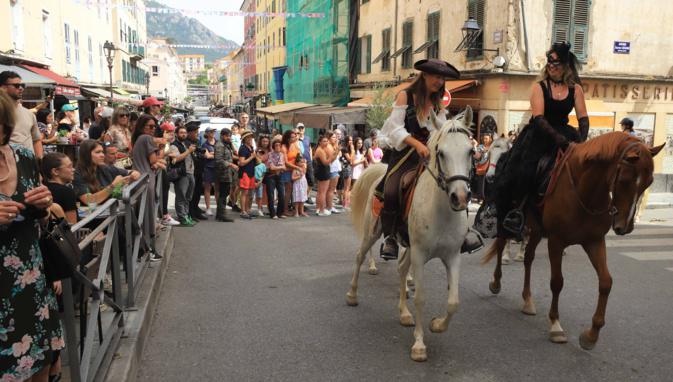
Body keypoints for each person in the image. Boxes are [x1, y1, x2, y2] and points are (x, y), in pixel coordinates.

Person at [376, 58, 482, 260]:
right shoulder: (404, 96)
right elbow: (394, 128)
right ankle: (390, 237)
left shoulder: (437, 103)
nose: (440, 81)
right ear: (424, 75)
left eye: (442, 78)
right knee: (391, 187)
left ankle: (464, 232)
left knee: (457, 181)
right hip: (406, 153)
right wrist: (417, 144)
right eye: (436, 76)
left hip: (431, 154)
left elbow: (441, 129)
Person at [0, 90, 64, 381]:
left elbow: (44, 213)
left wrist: (44, 204)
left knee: (38, 363)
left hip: (31, 278)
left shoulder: (24, 157)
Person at [496, 41, 589, 238]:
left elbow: (583, 118)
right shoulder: (539, 87)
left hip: (566, 133)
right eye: (549, 63)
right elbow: (539, 118)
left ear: (566, 66)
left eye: (556, 64)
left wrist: (581, 141)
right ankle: (517, 213)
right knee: (525, 171)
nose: (552, 67)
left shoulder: (576, 90)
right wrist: (559, 140)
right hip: (540, 134)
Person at [72, 139, 139, 207]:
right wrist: (113, 186)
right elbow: (89, 201)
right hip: (94, 215)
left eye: (102, 152)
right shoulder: (77, 174)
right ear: (86, 154)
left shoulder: (104, 167)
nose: (102, 155)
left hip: (111, 211)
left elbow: (131, 172)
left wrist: (133, 174)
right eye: (98, 152)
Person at [132, 134, 163, 260]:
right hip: (145, 182)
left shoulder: (140, 139)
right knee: (146, 217)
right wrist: (161, 147)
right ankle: (146, 250)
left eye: (153, 127)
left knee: (145, 217)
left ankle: (145, 249)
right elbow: (154, 160)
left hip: (143, 180)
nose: (153, 129)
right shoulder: (146, 139)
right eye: (150, 126)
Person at [0, 70, 43, 157]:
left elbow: (36, 140)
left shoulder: (29, 114)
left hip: (27, 165)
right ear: (3, 88)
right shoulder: (2, 111)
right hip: (5, 165)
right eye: (16, 85)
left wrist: (39, 161)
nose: (21, 88)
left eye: (22, 85)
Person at [168, 126, 197, 226]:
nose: (183, 134)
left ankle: (186, 215)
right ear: (176, 134)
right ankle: (182, 217)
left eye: (185, 132)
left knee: (188, 197)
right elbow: (177, 158)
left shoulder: (186, 144)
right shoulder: (174, 145)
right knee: (181, 196)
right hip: (181, 174)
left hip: (190, 173)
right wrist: (188, 151)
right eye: (181, 132)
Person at [41, 152, 78, 224]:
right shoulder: (67, 192)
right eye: (69, 166)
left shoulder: (43, 190)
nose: (73, 169)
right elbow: (73, 225)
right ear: (55, 171)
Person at [214, 128, 237, 222]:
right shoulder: (220, 145)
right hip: (223, 174)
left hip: (227, 173)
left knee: (224, 194)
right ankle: (222, 214)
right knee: (223, 194)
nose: (229, 138)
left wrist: (231, 143)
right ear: (222, 135)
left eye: (230, 136)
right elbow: (219, 160)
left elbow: (234, 153)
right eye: (227, 136)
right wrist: (231, 164)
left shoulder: (226, 145)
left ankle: (219, 214)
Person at [314, 134, 338, 216]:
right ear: (320, 142)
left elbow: (331, 160)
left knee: (320, 191)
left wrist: (335, 153)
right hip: (323, 171)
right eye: (324, 141)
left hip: (323, 170)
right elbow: (326, 162)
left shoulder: (323, 149)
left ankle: (319, 208)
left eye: (327, 141)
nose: (326, 142)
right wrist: (332, 156)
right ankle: (321, 210)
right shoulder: (320, 150)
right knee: (322, 192)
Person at [237, 130, 258, 219]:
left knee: (249, 193)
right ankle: (243, 211)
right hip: (245, 172)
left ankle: (247, 210)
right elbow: (241, 163)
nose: (250, 138)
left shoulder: (251, 147)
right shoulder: (242, 148)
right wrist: (251, 157)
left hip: (251, 172)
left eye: (251, 137)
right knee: (244, 192)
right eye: (248, 137)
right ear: (244, 139)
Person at [265, 138, 286, 219]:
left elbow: (284, 167)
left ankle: (279, 213)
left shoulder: (282, 155)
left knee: (282, 195)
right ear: (273, 146)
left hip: (280, 176)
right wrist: (280, 167)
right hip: (271, 176)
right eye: (276, 145)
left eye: (279, 145)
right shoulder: (270, 154)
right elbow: (271, 167)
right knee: (270, 195)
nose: (278, 147)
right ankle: (272, 213)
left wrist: (278, 167)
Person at [281, 130, 301, 216]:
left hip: (294, 170)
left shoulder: (295, 145)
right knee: (288, 191)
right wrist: (297, 167)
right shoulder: (284, 147)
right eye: (292, 137)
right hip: (286, 171)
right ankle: (284, 210)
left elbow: (298, 156)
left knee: (293, 191)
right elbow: (285, 162)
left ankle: (294, 208)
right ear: (287, 138)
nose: (294, 138)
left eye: (295, 136)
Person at [201, 127, 218, 216]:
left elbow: (221, 154)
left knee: (217, 188)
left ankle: (219, 207)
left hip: (217, 168)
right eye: (211, 132)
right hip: (208, 167)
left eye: (213, 131)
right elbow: (206, 156)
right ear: (207, 133)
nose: (213, 133)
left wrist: (212, 154)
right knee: (208, 188)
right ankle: (208, 208)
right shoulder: (204, 145)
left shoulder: (218, 142)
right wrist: (214, 154)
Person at [296, 123, 314, 203]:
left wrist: (311, 158)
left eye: (302, 128)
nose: (301, 130)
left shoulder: (307, 138)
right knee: (301, 180)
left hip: (308, 161)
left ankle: (306, 195)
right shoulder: (296, 139)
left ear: (304, 129)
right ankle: (304, 198)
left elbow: (310, 148)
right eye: (299, 128)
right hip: (300, 163)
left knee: (311, 180)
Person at [473, 133, 493, 201]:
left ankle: (488, 198)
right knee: (481, 183)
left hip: (490, 168)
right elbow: (476, 156)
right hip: (482, 167)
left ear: (490, 139)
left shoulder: (492, 147)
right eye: (484, 138)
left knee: (489, 184)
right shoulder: (481, 147)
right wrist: (476, 146)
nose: (485, 140)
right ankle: (480, 197)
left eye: (486, 139)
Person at [254, 135, 271, 216]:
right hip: (260, 173)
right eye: (263, 141)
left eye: (267, 141)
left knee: (268, 191)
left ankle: (268, 207)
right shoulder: (257, 150)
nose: (265, 143)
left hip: (269, 172)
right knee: (259, 191)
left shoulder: (270, 150)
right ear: (260, 141)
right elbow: (260, 160)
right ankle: (259, 208)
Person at [327, 131, 342, 214]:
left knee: (330, 190)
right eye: (333, 137)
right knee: (331, 190)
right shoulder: (329, 146)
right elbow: (331, 159)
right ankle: (330, 207)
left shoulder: (333, 145)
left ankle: (329, 206)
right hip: (332, 169)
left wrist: (337, 148)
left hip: (335, 169)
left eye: (336, 137)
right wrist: (337, 151)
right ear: (329, 138)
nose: (335, 139)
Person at [339, 135, 353, 210]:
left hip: (346, 168)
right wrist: (353, 150)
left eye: (352, 140)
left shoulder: (346, 148)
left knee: (347, 187)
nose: (351, 142)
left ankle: (346, 203)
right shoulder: (345, 149)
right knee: (346, 187)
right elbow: (350, 159)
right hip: (346, 168)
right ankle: (345, 204)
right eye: (350, 140)